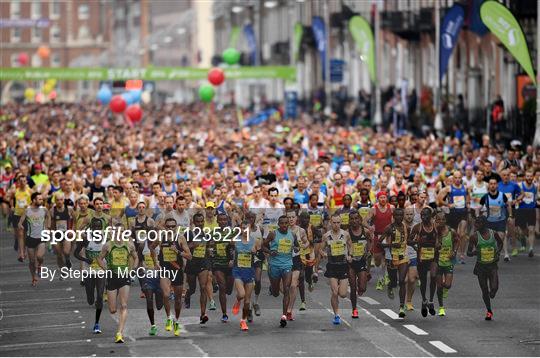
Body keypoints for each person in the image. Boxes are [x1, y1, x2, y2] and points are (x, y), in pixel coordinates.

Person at [97, 222, 138, 343]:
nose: (119, 234)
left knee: (124, 305)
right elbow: (99, 258)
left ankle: (119, 333)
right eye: (117, 232)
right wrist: (106, 269)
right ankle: (118, 329)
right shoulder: (108, 245)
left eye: (121, 232)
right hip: (112, 277)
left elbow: (136, 258)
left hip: (124, 276)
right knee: (112, 310)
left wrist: (133, 270)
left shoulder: (129, 245)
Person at [155, 217, 191, 336]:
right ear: (165, 227)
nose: (170, 228)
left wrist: (178, 252)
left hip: (177, 270)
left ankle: (176, 320)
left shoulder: (180, 238)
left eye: (173, 226)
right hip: (165, 269)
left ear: (176, 227)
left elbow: (189, 256)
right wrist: (156, 262)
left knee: (178, 300)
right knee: (165, 294)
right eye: (168, 226)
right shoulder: (161, 238)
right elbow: (151, 247)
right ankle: (169, 318)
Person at [74, 217, 107, 334]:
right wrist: (85, 259)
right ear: (92, 228)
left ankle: (97, 323)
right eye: (95, 227)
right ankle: (91, 297)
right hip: (89, 271)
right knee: (90, 298)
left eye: (99, 227)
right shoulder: (86, 239)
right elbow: (75, 254)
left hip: (101, 271)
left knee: (99, 295)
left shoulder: (106, 239)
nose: (97, 229)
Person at [467, 215, 503, 320]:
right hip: (481, 267)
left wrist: (498, 252)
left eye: (478, 223)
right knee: (484, 290)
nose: (476, 225)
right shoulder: (474, 237)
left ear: (484, 224)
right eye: (475, 223)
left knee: (493, 290)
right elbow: (468, 253)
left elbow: (500, 243)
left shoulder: (493, 233)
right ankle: (489, 310)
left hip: (492, 265)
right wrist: (474, 253)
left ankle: (491, 297)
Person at [263, 215, 296, 328]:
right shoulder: (273, 234)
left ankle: (283, 315)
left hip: (287, 264)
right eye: (282, 223)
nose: (284, 225)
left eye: (286, 223)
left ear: (288, 224)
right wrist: (270, 252)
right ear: (278, 224)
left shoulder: (292, 234)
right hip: (274, 265)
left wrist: (296, 249)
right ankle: (273, 288)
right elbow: (263, 246)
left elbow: (296, 246)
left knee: (286, 288)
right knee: (276, 293)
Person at [231, 218, 262, 331]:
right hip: (238, 271)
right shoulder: (235, 240)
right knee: (242, 294)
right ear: (240, 229)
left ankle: (243, 321)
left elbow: (259, 257)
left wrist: (256, 253)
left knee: (248, 301)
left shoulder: (256, 241)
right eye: (243, 228)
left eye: (247, 228)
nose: (245, 230)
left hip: (249, 271)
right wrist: (231, 259)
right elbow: (228, 249)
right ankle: (237, 300)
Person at [320, 214, 351, 325]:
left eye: (338, 222)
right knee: (334, 292)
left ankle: (340, 288)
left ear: (341, 223)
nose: (336, 225)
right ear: (330, 223)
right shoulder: (326, 236)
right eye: (334, 222)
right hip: (332, 266)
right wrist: (323, 253)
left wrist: (349, 255)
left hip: (343, 266)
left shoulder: (346, 234)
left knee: (342, 294)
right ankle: (336, 315)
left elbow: (350, 246)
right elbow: (321, 249)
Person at [380, 208, 409, 318]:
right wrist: (391, 246)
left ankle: (402, 306)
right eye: (397, 215)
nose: (399, 217)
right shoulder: (389, 228)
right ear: (393, 216)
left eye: (401, 215)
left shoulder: (406, 227)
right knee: (394, 281)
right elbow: (379, 243)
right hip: (391, 257)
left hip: (403, 257)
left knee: (402, 281)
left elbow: (408, 240)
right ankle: (390, 286)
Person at [184, 212, 212, 324]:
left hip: (203, 263)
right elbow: (182, 248)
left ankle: (203, 314)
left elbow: (209, 248)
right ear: (194, 222)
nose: (200, 224)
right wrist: (192, 245)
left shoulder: (206, 234)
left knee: (203, 287)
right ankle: (188, 294)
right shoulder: (188, 233)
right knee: (193, 288)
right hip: (191, 264)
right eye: (197, 222)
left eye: (201, 222)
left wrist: (210, 252)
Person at [410, 207, 438, 317]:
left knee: (434, 276)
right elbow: (409, 241)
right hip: (422, 256)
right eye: (422, 215)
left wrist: (438, 244)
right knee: (423, 280)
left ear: (430, 216)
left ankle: (431, 301)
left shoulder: (436, 227)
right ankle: (424, 300)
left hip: (433, 256)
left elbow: (441, 237)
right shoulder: (417, 227)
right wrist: (416, 244)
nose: (423, 217)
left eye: (426, 215)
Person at [18, 192, 48, 286]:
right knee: (31, 261)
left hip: (41, 237)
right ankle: (33, 277)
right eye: (39, 199)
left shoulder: (44, 209)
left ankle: (40, 265)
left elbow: (48, 217)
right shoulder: (27, 210)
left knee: (39, 256)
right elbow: (20, 222)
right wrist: (20, 225)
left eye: (42, 199)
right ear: (34, 200)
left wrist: (47, 227)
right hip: (30, 238)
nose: (41, 201)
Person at [479, 178, 512, 262]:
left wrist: (510, 215)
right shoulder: (485, 197)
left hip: (501, 220)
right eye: (491, 184)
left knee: (500, 237)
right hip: (489, 221)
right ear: (489, 185)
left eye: (494, 183)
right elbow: (479, 208)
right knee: (491, 240)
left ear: (497, 185)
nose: (493, 185)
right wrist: (479, 216)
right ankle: (492, 254)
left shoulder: (502, 195)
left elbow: (508, 205)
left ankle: (496, 254)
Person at [347, 210, 372, 319]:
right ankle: (354, 309)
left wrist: (369, 270)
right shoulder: (346, 233)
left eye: (356, 218)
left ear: (360, 220)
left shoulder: (365, 232)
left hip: (362, 261)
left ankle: (360, 286)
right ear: (349, 221)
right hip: (351, 263)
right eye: (352, 219)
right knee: (352, 287)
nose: (354, 221)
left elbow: (370, 246)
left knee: (362, 288)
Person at [211, 212, 235, 323]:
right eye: (220, 220)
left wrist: (233, 258)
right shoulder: (213, 233)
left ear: (227, 221)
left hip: (230, 265)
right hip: (218, 264)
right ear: (217, 221)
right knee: (222, 286)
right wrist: (211, 248)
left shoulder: (233, 233)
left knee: (229, 290)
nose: (222, 222)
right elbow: (209, 247)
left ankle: (227, 291)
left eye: (224, 220)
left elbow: (238, 247)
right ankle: (224, 314)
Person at [286, 210, 309, 320]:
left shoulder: (301, 231)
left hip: (296, 260)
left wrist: (303, 246)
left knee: (293, 285)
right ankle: (288, 302)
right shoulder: (282, 230)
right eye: (288, 217)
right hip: (284, 260)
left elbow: (307, 242)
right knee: (285, 288)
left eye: (292, 217)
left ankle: (289, 310)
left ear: (296, 218)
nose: (290, 219)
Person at [434, 212, 458, 316]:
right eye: (438, 220)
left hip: (449, 261)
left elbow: (457, 241)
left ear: (445, 220)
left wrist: (454, 251)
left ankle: (445, 288)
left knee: (447, 285)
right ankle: (441, 307)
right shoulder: (434, 232)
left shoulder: (451, 231)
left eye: (442, 219)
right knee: (439, 286)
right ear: (435, 221)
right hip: (437, 262)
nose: (440, 222)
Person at [49, 191, 74, 270]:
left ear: (63, 200)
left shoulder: (69, 209)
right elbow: (50, 224)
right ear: (55, 201)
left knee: (66, 252)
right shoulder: (52, 210)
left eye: (61, 200)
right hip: (56, 234)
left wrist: (72, 230)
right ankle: (62, 269)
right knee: (59, 254)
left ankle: (67, 259)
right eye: (57, 200)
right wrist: (51, 235)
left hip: (66, 234)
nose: (59, 201)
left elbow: (75, 220)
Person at [516, 170, 537, 257]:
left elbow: (535, 198)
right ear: (525, 177)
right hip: (522, 210)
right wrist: (519, 199)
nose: (529, 178)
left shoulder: (535, 187)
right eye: (527, 176)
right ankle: (526, 238)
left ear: (533, 177)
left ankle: (531, 249)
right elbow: (516, 198)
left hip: (531, 210)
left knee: (532, 229)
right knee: (522, 231)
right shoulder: (520, 186)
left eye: (531, 176)